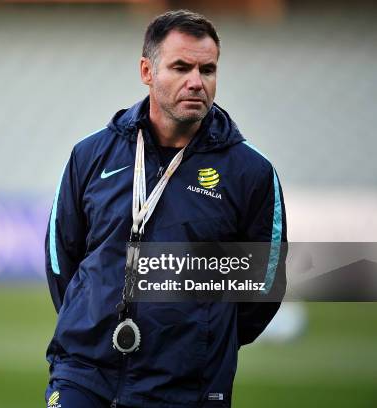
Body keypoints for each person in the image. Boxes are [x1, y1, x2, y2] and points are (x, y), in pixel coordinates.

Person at [44, 10, 286, 408]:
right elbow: (61, 261)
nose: (196, 82)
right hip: (85, 374)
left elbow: (264, 283)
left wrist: (203, 337)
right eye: (181, 67)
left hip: (186, 386)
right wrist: (89, 320)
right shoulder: (91, 155)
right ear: (147, 70)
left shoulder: (250, 172)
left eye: (207, 69)